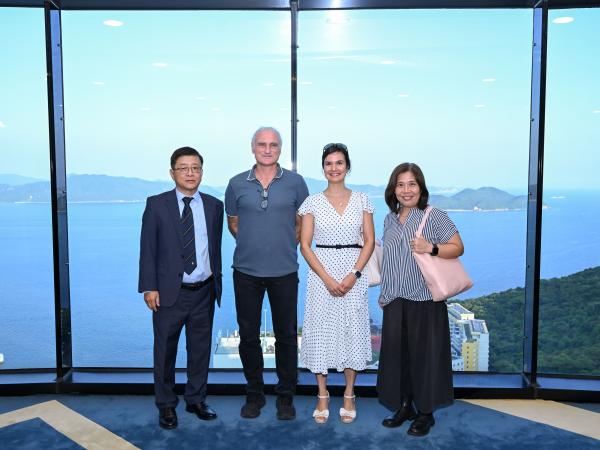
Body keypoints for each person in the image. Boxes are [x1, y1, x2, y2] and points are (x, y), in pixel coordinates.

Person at [225, 126, 309, 420]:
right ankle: (254, 394)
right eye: (262, 144)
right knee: (248, 336)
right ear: (253, 148)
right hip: (245, 272)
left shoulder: (296, 183)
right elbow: (233, 223)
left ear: (280, 149)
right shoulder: (236, 184)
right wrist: (254, 244)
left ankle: (285, 396)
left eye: (273, 144)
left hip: (285, 272)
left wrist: (283, 244)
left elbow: (302, 224)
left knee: (286, 337)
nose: (268, 149)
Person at [138, 146, 224, 429]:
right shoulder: (156, 204)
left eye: (196, 167)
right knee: (165, 352)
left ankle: (196, 399)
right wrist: (149, 287)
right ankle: (166, 405)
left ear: (202, 171)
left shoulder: (214, 206)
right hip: (168, 294)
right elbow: (148, 249)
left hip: (204, 292)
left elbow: (214, 249)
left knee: (200, 350)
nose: (190, 173)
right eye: (184, 168)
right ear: (172, 172)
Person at [376, 162, 464, 437]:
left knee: (424, 359)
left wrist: (432, 247)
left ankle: (425, 413)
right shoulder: (389, 219)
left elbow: (458, 247)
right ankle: (405, 406)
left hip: (424, 301)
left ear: (421, 188)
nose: (406, 190)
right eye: (400, 184)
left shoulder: (433, 215)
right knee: (397, 358)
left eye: (412, 184)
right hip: (394, 300)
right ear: (393, 189)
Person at [298, 143, 375, 424]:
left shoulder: (363, 200)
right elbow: (306, 246)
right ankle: (322, 394)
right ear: (323, 168)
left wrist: (352, 275)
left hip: (353, 273)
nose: (334, 168)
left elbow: (368, 241)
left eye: (339, 162)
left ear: (347, 166)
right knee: (319, 332)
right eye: (329, 163)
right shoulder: (312, 203)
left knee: (351, 331)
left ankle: (349, 394)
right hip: (321, 275)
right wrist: (328, 278)